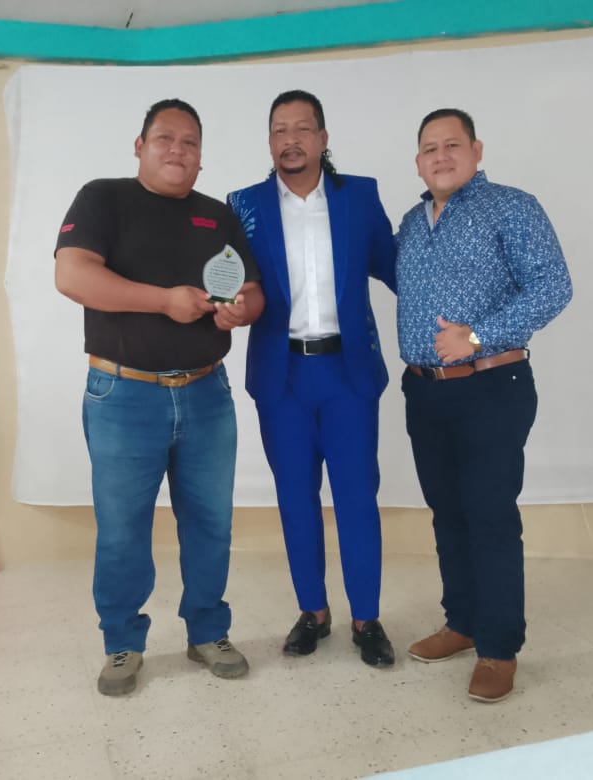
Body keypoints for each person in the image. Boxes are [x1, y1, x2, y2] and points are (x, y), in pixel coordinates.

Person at [54, 98, 264, 696]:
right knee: (123, 529)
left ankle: (208, 631)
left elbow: (251, 290)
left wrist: (243, 309)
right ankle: (122, 642)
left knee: (212, 523)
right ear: (140, 146)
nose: (178, 149)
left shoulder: (217, 216)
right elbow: (72, 275)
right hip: (124, 394)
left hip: (206, 394)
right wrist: (165, 301)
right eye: (165, 138)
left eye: (190, 142)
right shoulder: (103, 198)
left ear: (201, 157)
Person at [395, 108, 572, 702]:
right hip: (425, 389)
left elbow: (554, 286)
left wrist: (476, 336)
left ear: (476, 150)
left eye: (452, 144)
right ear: (418, 162)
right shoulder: (412, 222)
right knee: (447, 512)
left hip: (492, 385)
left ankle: (498, 648)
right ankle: (463, 622)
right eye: (429, 148)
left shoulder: (512, 207)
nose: (440, 156)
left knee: (490, 515)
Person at [227, 90, 396, 668]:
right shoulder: (244, 204)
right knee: (295, 498)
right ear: (269, 141)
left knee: (357, 497)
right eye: (280, 130)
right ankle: (314, 613)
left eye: (303, 128)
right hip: (283, 377)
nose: (291, 139)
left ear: (323, 139)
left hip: (348, 374)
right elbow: (228, 280)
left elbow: (398, 269)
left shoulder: (360, 196)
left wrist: (459, 313)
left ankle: (367, 618)